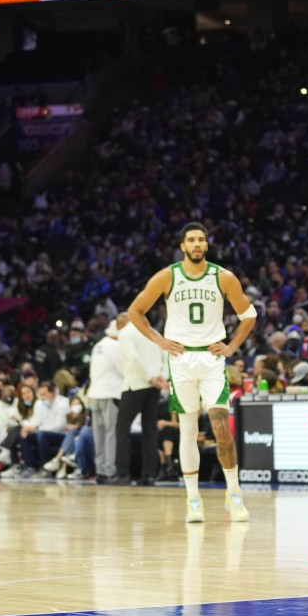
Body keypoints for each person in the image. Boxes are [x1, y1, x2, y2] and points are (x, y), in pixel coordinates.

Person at [128, 222, 257, 522]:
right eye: (191, 240)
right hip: (181, 359)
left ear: (207, 245)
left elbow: (248, 315)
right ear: (182, 246)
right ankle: (192, 498)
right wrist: (159, 340)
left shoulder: (222, 277)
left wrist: (232, 346)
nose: (197, 244)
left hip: (212, 360)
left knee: (220, 426)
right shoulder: (167, 276)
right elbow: (135, 312)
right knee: (187, 430)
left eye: (201, 239)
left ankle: (233, 493)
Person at [87, 314, 126, 483]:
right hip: (110, 393)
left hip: (94, 393)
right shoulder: (115, 346)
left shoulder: (98, 345)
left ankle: (100, 470)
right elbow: (124, 369)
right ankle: (110, 471)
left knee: (99, 434)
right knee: (111, 434)